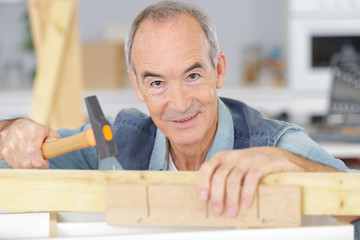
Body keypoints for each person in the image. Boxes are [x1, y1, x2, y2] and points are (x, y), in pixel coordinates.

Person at [0, 0, 359, 236]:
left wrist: (285, 163)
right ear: (137, 86)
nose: (179, 102)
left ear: (218, 70)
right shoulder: (117, 140)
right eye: (156, 83)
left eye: (192, 75)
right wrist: (13, 132)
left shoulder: (274, 146)